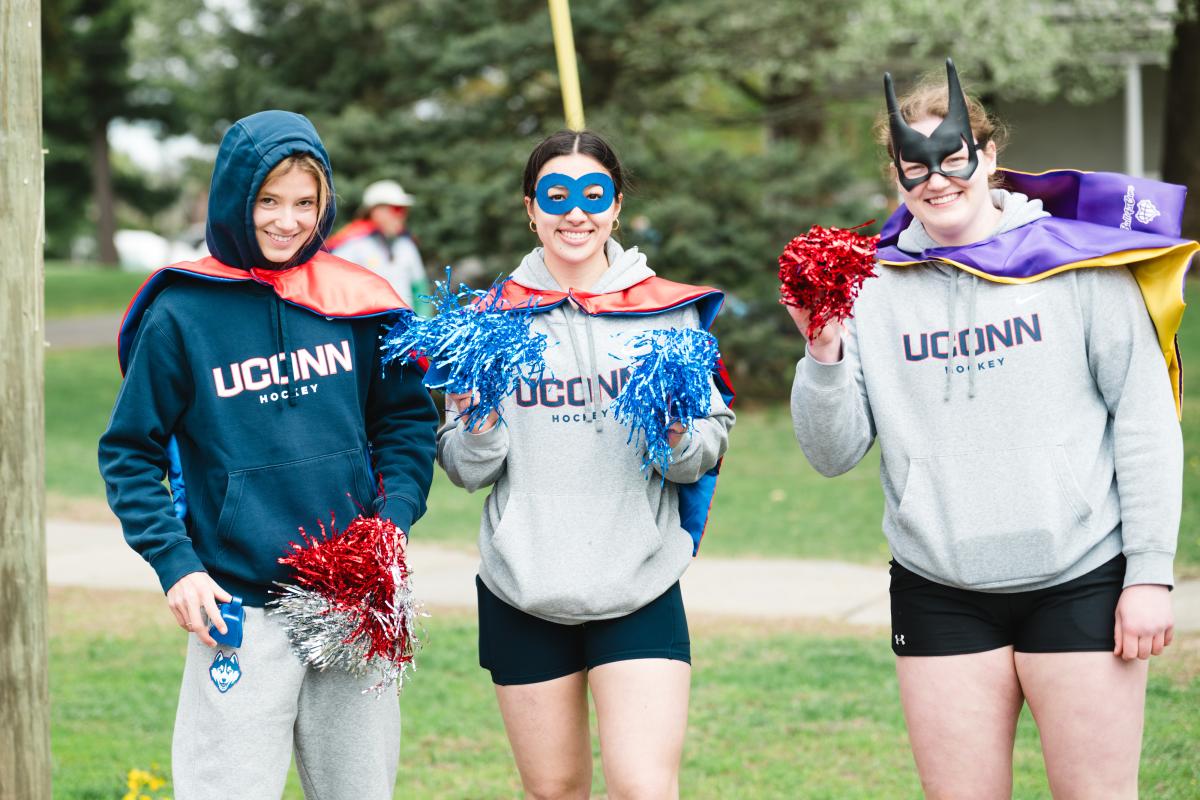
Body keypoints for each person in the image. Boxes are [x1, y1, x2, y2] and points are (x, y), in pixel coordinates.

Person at [788, 60, 1197, 799]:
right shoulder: (871, 287)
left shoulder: (1076, 267)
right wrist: (822, 353)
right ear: (895, 173)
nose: (937, 182)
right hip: (939, 588)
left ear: (990, 156)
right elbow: (831, 453)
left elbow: (1144, 420)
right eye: (916, 167)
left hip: (1081, 580)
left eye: (953, 160)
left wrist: (1149, 574)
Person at [98, 110, 439, 798]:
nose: (288, 221)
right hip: (238, 604)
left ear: (326, 204)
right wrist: (177, 567)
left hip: (350, 601)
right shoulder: (182, 311)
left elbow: (406, 422)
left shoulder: (358, 302)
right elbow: (130, 452)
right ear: (234, 197)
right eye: (268, 200)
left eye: (305, 203)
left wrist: (390, 523)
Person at [437, 130, 735, 799]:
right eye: (557, 195)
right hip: (525, 586)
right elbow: (464, 467)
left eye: (593, 195)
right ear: (530, 209)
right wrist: (479, 427)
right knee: (555, 791)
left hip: (637, 583)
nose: (576, 213)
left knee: (644, 788)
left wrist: (681, 433)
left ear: (617, 207)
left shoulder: (668, 312)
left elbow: (702, 456)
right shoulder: (490, 321)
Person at [328, 179, 432, 313]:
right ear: (376, 211)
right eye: (396, 209)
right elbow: (335, 289)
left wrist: (423, 321)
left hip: (407, 328)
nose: (401, 216)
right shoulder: (352, 246)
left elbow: (419, 288)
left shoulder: (406, 245)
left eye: (403, 210)